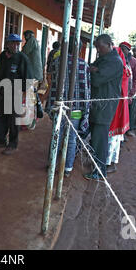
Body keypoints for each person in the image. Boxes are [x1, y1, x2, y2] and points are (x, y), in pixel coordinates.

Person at [45, 38, 90, 177]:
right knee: (71, 138)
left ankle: (52, 163)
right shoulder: (83, 64)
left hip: (59, 106)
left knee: (56, 135)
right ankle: (68, 168)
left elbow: (51, 78)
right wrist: (86, 108)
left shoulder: (58, 62)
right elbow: (86, 89)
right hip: (76, 109)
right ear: (79, 49)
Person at [85, 34, 123, 181]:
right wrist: (93, 69)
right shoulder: (105, 59)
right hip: (98, 104)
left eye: (100, 47)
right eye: (96, 47)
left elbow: (95, 80)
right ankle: (96, 164)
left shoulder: (114, 62)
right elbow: (91, 69)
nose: (98, 50)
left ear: (109, 45)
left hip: (104, 106)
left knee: (100, 140)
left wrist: (94, 71)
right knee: (95, 138)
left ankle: (99, 172)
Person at [0, 34, 33, 155]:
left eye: (18, 43)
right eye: (13, 43)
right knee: (1, 117)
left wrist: (22, 92)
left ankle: (12, 144)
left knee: (13, 121)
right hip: (3, 93)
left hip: (16, 94)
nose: (16, 45)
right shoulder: (3, 56)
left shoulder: (22, 58)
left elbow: (28, 78)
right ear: (7, 44)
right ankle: (0, 140)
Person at [106, 46, 131, 173]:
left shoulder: (119, 70)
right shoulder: (125, 69)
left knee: (112, 138)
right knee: (115, 138)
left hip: (117, 107)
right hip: (120, 106)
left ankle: (109, 163)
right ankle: (110, 162)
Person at [120, 42, 136, 137]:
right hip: (118, 93)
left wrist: (132, 92)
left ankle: (125, 132)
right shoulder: (117, 59)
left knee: (128, 113)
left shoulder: (134, 61)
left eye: (124, 49)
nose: (121, 51)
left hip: (129, 93)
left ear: (128, 50)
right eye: (120, 48)